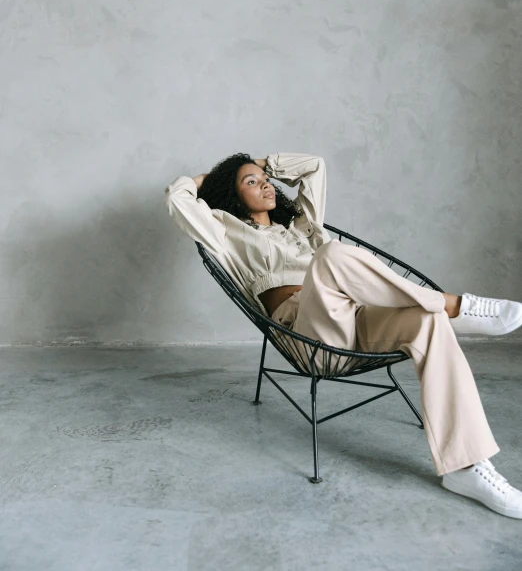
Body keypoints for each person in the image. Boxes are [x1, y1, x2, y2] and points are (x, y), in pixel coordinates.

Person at [164, 151, 522, 518]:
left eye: (265, 178)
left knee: (425, 323)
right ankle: (453, 306)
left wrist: (262, 164)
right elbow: (177, 200)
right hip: (310, 337)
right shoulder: (224, 229)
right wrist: (204, 181)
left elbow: (314, 166)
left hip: (353, 320)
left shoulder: (300, 225)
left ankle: (466, 467)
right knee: (331, 255)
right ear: (232, 194)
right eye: (251, 182)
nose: (265, 184)